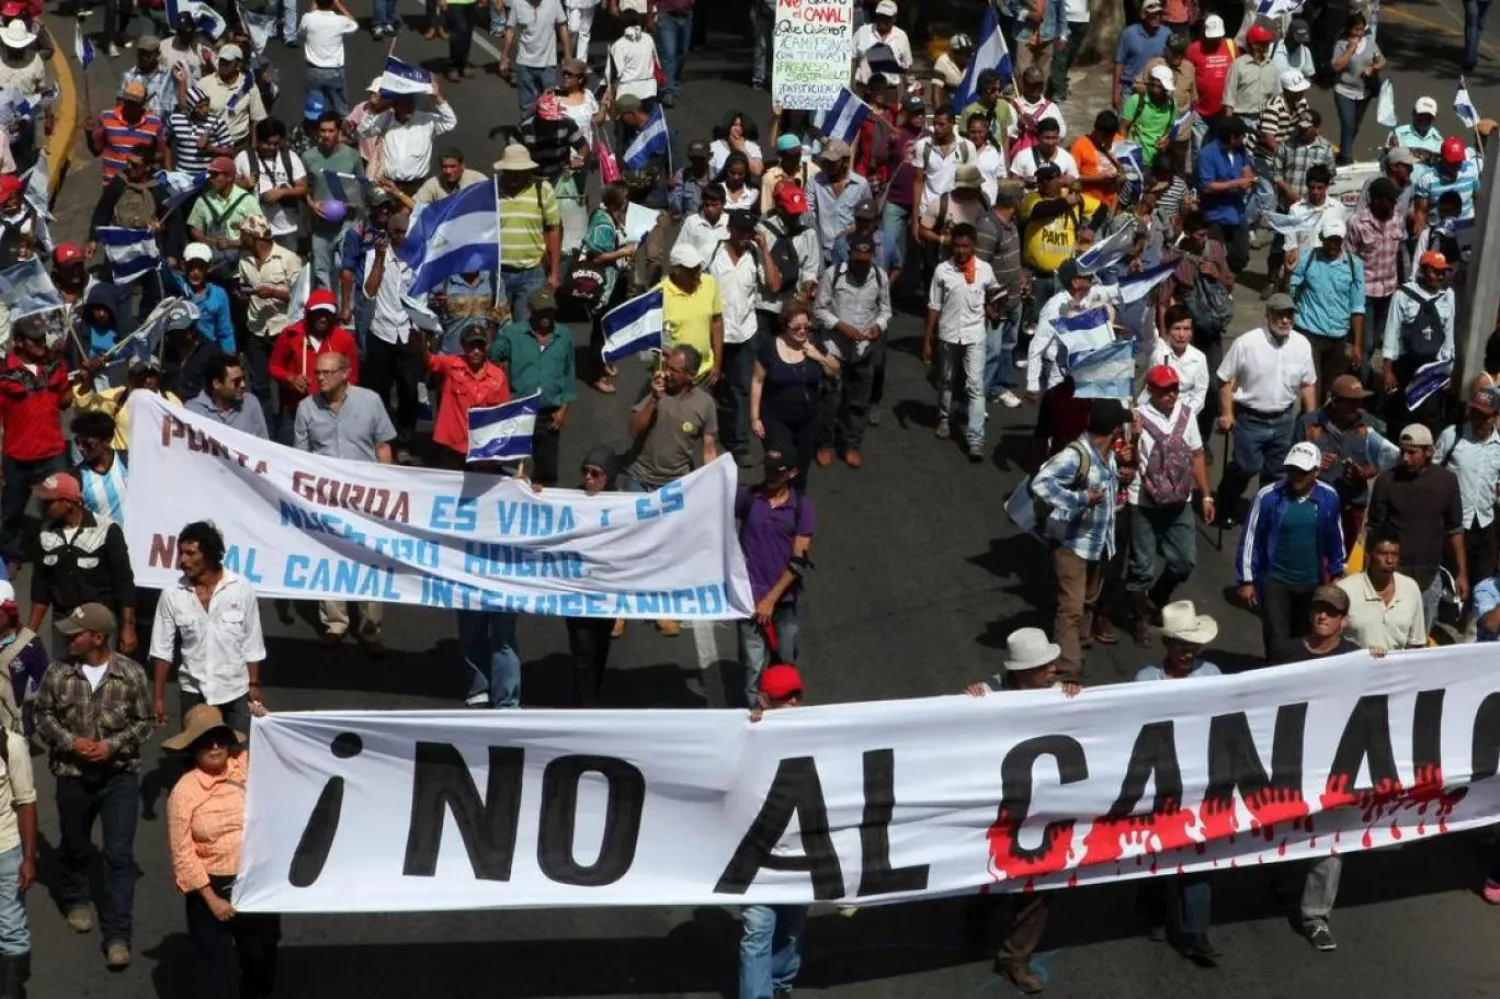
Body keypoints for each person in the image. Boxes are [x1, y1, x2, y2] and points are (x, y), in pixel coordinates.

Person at [34, 603, 152, 970]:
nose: (68, 637)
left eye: (76, 633)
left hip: (120, 777)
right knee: (75, 844)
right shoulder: (58, 673)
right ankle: (76, 898)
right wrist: (71, 743)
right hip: (72, 775)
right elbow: (43, 715)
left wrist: (111, 746)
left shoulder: (131, 675)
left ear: (98, 637)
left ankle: (118, 934)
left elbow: (145, 721)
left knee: (119, 856)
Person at [962, 627, 1070, 994]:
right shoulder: (988, 694)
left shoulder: (1058, 694)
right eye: (1045, 667)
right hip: (996, 808)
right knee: (991, 873)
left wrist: (1079, 701)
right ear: (1022, 673)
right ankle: (977, 916)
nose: (1054, 670)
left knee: (1042, 880)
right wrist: (965, 705)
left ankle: (1014, 957)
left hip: (1043, 808)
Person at [1271, 585, 1371, 954]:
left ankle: (1315, 917)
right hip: (1290, 762)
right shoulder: (1286, 654)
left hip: (1336, 766)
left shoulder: (1357, 659)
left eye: (1331, 611)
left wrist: (1380, 660)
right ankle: (1280, 877)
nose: (1323, 616)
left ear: (1343, 621)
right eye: (1318, 609)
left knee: (1329, 844)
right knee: (1282, 829)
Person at [164, 702, 279, 999]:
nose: (215, 746)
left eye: (219, 738)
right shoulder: (184, 792)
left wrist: (267, 721)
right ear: (193, 748)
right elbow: (183, 853)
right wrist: (212, 899)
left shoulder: (245, 763)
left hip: (254, 879)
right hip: (211, 887)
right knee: (216, 972)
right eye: (205, 741)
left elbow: (280, 752)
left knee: (261, 959)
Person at [1134, 600, 1221, 965]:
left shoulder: (1213, 675)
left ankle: (1196, 932)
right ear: (1168, 645)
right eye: (1182, 646)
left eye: (1193, 646)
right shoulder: (1145, 680)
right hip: (1157, 780)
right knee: (1155, 850)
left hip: (1199, 780)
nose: (1189, 653)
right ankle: (1152, 913)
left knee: (1197, 856)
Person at [293, 352, 396, 654]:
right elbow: (299, 456)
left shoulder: (371, 401)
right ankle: (335, 622)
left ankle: (370, 628)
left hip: (365, 498)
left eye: (326, 372)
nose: (319, 378)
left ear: (344, 374)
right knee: (328, 557)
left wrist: (387, 489)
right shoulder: (305, 408)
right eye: (317, 372)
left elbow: (383, 446)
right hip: (325, 498)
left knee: (368, 559)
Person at [1030, 400, 1130, 687]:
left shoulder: (1106, 454)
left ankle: (1079, 646)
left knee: (1088, 602)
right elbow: (1041, 483)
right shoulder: (1076, 455)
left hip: (1096, 545)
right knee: (1071, 608)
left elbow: (1106, 487)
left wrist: (1120, 472)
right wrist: (1081, 499)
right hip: (1072, 545)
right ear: (1112, 429)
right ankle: (1067, 671)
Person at [621, 344, 717, 638]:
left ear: (690, 374)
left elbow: (709, 447)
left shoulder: (705, 404)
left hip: (675, 485)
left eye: (675, 370)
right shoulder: (653, 391)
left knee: (667, 550)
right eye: (668, 367)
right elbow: (633, 429)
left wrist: (713, 483)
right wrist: (653, 398)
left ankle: (661, 608)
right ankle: (621, 610)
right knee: (629, 549)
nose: (668, 373)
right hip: (639, 478)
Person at [148, 519, 265, 739]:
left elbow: (252, 643)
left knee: (238, 758)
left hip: (235, 691)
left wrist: (254, 685)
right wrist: (159, 698)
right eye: (181, 553)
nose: (183, 560)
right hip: (193, 691)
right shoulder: (172, 595)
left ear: (209, 555)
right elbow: (161, 650)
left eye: (190, 554)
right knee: (196, 757)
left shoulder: (241, 589)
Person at [1126, 365, 1214, 646]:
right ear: (1151, 390)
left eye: (1174, 389)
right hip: (1144, 501)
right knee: (1143, 566)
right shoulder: (1136, 416)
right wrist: (1134, 435)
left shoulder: (1186, 415)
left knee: (1184, 561)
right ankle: (1140, 618)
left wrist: (1206, 495)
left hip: (1180, 499)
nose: (1170, 395)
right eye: (1164, 390)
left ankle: (1158, 596)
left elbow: (1197, 454)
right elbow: (1125, 459)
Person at [738, 661, 810, 999]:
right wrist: (747, 731)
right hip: (756, 855)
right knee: (758, 931)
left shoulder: (820, 730)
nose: (794, 702)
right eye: (786, 698)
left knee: (791, 927)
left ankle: (780, 983)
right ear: (764, 699)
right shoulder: (742, 733)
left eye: (797, 695)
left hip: (799, 851)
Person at [1237, 442, 1346, 659]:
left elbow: (1336, 537)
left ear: (1316, 472)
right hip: (1276, 581)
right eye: (1293, 470)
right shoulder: (1267, 496)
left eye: (1303, 472)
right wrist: (1246, 580)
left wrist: (1336, 572)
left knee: (1306, 637)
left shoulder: (1329, 497)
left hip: (1312, 583)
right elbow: (1251, 537)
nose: (1297, 476)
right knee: (1277, 639)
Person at [1212, 294, 1317, 521]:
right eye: (1280, 315)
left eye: (1289, 315)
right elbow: (1223, 378)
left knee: (1277, 473)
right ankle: (1223, 503)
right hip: (1251, 419)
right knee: (1246, 466)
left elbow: (1308, 384)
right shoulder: (1247, 343)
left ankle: (1265, 514)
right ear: (1268, 315)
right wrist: (1227, 413)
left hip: (1284, 420)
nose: (1285, 320)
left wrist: (1312, 420)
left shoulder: (1301, 345)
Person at [1367, 423, 1467, 637]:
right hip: (1392, 573)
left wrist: (1462, 573)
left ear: (1428, 451)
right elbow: (1374, 529)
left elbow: (1455, 529)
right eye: (1402, 451)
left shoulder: (1447, 482)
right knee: (1389, 634)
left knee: (1420, 637)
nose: (1405, 458)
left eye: (1412, 453)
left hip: (1429, 575)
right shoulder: (1387, 480)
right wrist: (1368, 573)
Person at [735, 445, 814, 707]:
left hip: (784, 602)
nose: (770, 475)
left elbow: (798, 560)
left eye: (777, 471)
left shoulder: (801, 507)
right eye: (767, 468)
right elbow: (711, 502)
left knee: (785, 668)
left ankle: (785, 721)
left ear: (792, 473)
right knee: (753, 669)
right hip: (748, 600)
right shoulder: (747, 497)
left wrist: (770, 600)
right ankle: (755, 720)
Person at [27, 472, 137, 654]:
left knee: (101, 678)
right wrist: (29, 633)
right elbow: (41, 589)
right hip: (63, 623)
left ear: (69, 502)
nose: (44, 506)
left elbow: (124, 584)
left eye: (50, 502)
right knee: (65, 679)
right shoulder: (45, 535)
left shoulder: (107, 531)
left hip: (99, 624)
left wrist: (128, 627)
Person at [923, 224, 1000, 462]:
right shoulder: (942, 271)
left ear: (973, 246)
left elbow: (996, 296)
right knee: (946, 379)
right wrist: (928, 338)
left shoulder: (985, 270)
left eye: (966, 246)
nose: (961, 250)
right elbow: (934, 305)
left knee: (975, 386)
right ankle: (944, 417)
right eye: (957, 245)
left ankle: (975, 438)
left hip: (975, 336)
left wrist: (995, 308)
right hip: (948, 334)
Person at [814, 231, 889, 469]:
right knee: (830, 400)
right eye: (857, 260)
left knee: (858, 402)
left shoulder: (879, 277)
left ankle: (851, 445)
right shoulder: (833, 275)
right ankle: (825, 444)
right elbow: (819, 309)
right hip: (834, 349)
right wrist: (840, 326)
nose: (861, 265)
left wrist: (879, 326)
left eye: (866, 260)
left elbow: (885, 310)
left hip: (863, 351)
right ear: (849, 254)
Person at [1293, 373, 1397, 543]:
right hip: (1315, 503)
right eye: (1352, 402)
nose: (1358, 406)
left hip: (1353, 505)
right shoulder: (1308, 424)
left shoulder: (1370, 425)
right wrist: (1313, 464)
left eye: (1360, 400)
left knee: (1346, 560)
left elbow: (1379, 462)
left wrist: (1364, 472)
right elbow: (1291, 464)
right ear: (1335, 401)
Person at [0, 320, 70, 570]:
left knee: (58, 506)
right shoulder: (3, 373)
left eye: (44, 339)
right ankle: (12, 555)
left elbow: (65, 400)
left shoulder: (55, 365)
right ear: (19, 342)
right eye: (36, 340)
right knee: (11, 512)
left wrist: (86, 376)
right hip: (16, 455)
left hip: (52, 452)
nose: (43, 344)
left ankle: (57, 555)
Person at [490, 290, 575, 485]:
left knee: (546, 472)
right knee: (512, 468)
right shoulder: (513, 333)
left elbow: (569, 372)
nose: (546, 317)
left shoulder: (564, 335)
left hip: (550, 414)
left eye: (550, 312)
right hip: (518, 410)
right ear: (530, 310)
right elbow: (494, 356)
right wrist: (493, 331)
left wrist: (564, 408)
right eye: (541, 312)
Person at [751, 301, 837, 486]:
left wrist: (819, 357)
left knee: (801, 468)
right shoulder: (769, 347)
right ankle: (774, 505)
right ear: (785, 326)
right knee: (780, 465)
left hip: (808, 420)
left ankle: (795, 506)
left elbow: (835, 370)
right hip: (777, 419)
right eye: (796, 327)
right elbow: (757, 381)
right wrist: (754, 418)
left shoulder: (814, 343)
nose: (802, 331)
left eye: (806, 327)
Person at [1434, 387, 1500, 618]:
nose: (1478, 420)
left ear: (1495, 416)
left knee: (1482, 581)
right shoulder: (1452, 436)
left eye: (1484, 415)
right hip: (1453, 524)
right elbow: (1433, 471)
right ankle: (1446, 622)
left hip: (1485, 522)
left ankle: (1474, 626)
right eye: (1474, 413)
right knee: (1451, 579)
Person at [268, 289, 360, 442]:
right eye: (318, 313)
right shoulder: (290, 335)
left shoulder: (345, 340)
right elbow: (274, 366)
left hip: (332, 411)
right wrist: (291, 379)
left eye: (327, 314)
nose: (323, 319)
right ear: (308, 314)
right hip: (295, 409)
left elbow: (353, 377)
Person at [565, 447, 618, 706]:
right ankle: (587, 705)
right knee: (582, 650)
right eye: (585, 471)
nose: (588, 478)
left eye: (595, 473)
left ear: (608, 478)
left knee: (600, 648)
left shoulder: (623, 504)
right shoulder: (570, 498)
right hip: (578, 590)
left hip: (606, 591)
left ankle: (593, 693)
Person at [1381, 250, 1456, 429]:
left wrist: (1447, 370)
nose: (1439, 277)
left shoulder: (1448, 295)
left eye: (1442, 273)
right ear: (1422, 271)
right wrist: (1388, 370)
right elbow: (1392, 331)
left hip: (1433, 367)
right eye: (1435, 272)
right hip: (1407, 364)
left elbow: (1449, 334)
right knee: (1403, 414)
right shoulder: (1403, 294)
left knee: (1431, 415)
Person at [496, 143, 564, 323]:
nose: (514, 176)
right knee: (499, 327)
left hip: (532, 273)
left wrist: (554, 273)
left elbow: (553, 228)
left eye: (518, 171)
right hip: (498, 273)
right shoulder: (491, 190)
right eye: (509, 171)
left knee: (526, 329)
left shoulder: (543, 189)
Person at [356, 77, 458, 193]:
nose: (409, 108)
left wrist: (437, 97)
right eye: (405, 104)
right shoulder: (386, 119)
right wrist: (372, 109)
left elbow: (450, 122)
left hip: (417, 186)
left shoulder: (426, 120)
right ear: (395, 105)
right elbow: (362, 132)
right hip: (389, 184)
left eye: (411, 103)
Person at [1337, 534, 1427, 651]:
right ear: (1369, 555)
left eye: (1394, 554)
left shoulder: (1410, 588)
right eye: (1383, 554)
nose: (1389, 560)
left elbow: (1417, 643)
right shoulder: (1345, 590)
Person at [1196, 117, 1255, 275]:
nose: (1244, 139)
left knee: (1241, 257)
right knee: (1215, 256)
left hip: (1237, 212)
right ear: (1232, 137)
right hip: (1215, 214)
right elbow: (1207, 186)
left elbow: (1246, 168)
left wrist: (1249, 179)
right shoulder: (1207, 154)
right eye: (1241, 135)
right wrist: (1236, 183)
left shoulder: (1241, 151)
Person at [660, 242, 724, 383]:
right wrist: (684, 366)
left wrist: (717, 364)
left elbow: (717, 323)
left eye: (698, 267)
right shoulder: (658, 295)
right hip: (673, 378)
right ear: (675, 270)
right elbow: (658, 339)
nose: (697, 273)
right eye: (691, 270)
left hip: (705, 373)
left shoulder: (709, 283)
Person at [1331, 13, 1384, 167]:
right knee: (1348, 124)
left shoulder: (1369, 42)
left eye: (1362, 30)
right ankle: (1347, 159)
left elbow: (1381, 61)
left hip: (1363, 93)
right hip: (1344, 91)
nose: (1359, 34)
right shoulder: (1341, 44)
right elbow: (1336, 66)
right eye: (1356, 30)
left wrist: (1373, 67)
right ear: (1349, 29)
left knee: (1355, 125)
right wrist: (1350, 50)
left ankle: (1343, 153)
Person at [84, 81, 165, 184]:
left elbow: (161, 153)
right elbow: (96, 151)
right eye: (128, 101)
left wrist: (145, 160)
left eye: (134, 103)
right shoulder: (106, 117)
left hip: (138, 188)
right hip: (111, 186)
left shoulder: (154, 123)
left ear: (143, 103)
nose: (129, 106)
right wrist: (89, 134)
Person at [500, 0, 569, 113]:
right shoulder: (517, 3)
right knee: (527, 106)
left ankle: (546, 129)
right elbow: (510, 30)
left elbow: (562, 27)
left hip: (548, 64)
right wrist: (504, 57)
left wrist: (568, 56)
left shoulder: (554, 2)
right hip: (524, 64)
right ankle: (528, 129)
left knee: (549, 104)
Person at [196, 46, 267, 149]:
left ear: (238, 64)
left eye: (228, 62)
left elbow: (257, 120)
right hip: (209, 144)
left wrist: (253, 148)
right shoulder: (204, 83)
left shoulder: (249, 86)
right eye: (222, 61)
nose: (224, 65)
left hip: (238, 145)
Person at [184, 354, 269, 439]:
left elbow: (264, 443)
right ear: (216, 384)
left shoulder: (251, 403)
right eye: (236, 382)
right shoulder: (193, 410)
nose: (243, 385)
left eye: (243, 379)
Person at [72, 411, 130, 527]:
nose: (80, 448)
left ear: (106, 440)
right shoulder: (77, 478)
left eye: (87, 443)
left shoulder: (128, 460)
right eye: (77, 442)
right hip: (109, 543)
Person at [1114, 0, 1170, 109]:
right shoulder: (1128, 34)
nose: (1157, 17)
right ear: (1144, 15)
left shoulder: (1167, 34)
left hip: (1155, 90)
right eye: (1153, 14)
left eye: (1159, 14)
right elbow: (1119, 63)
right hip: (1130, 89)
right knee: (1125, 123)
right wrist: (1115, 93)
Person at [853, 0, 911, 87]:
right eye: (880, 16)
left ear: (894, 18)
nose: (883, 20)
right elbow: (851, 58)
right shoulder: (862, 32)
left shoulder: (901, 36)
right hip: (863, 89)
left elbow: (907, 65)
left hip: (890, 90)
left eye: (887, 17)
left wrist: (907, 89)